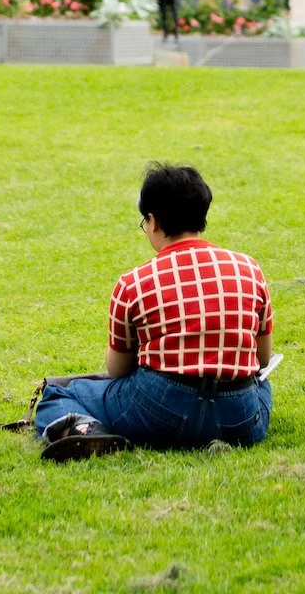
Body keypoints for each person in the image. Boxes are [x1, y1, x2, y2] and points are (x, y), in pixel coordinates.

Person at [33, 163, 274, 461]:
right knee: (262, 385)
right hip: (238, 417)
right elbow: (261, 359)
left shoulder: (133, 282)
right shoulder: (249, 269)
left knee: (57, 395)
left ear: (153, 221)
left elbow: (118, 370)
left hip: (160, 413)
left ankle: (85, 430)